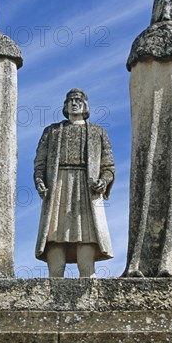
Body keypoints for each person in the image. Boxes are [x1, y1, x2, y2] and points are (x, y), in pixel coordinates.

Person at [34, 89, 115, 277]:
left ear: (85, 105)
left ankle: (88, 286)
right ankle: (54, 286)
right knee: (54, 235)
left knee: (86, 235)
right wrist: (39, 180)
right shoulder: (52, 131)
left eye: (78, 100)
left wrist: (104, 181)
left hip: (86, 189)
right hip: (58, 186)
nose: (74, 103)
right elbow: (40, 163)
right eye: (70, 100)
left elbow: (108, 166)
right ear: (65, 105)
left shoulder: (97, 132)